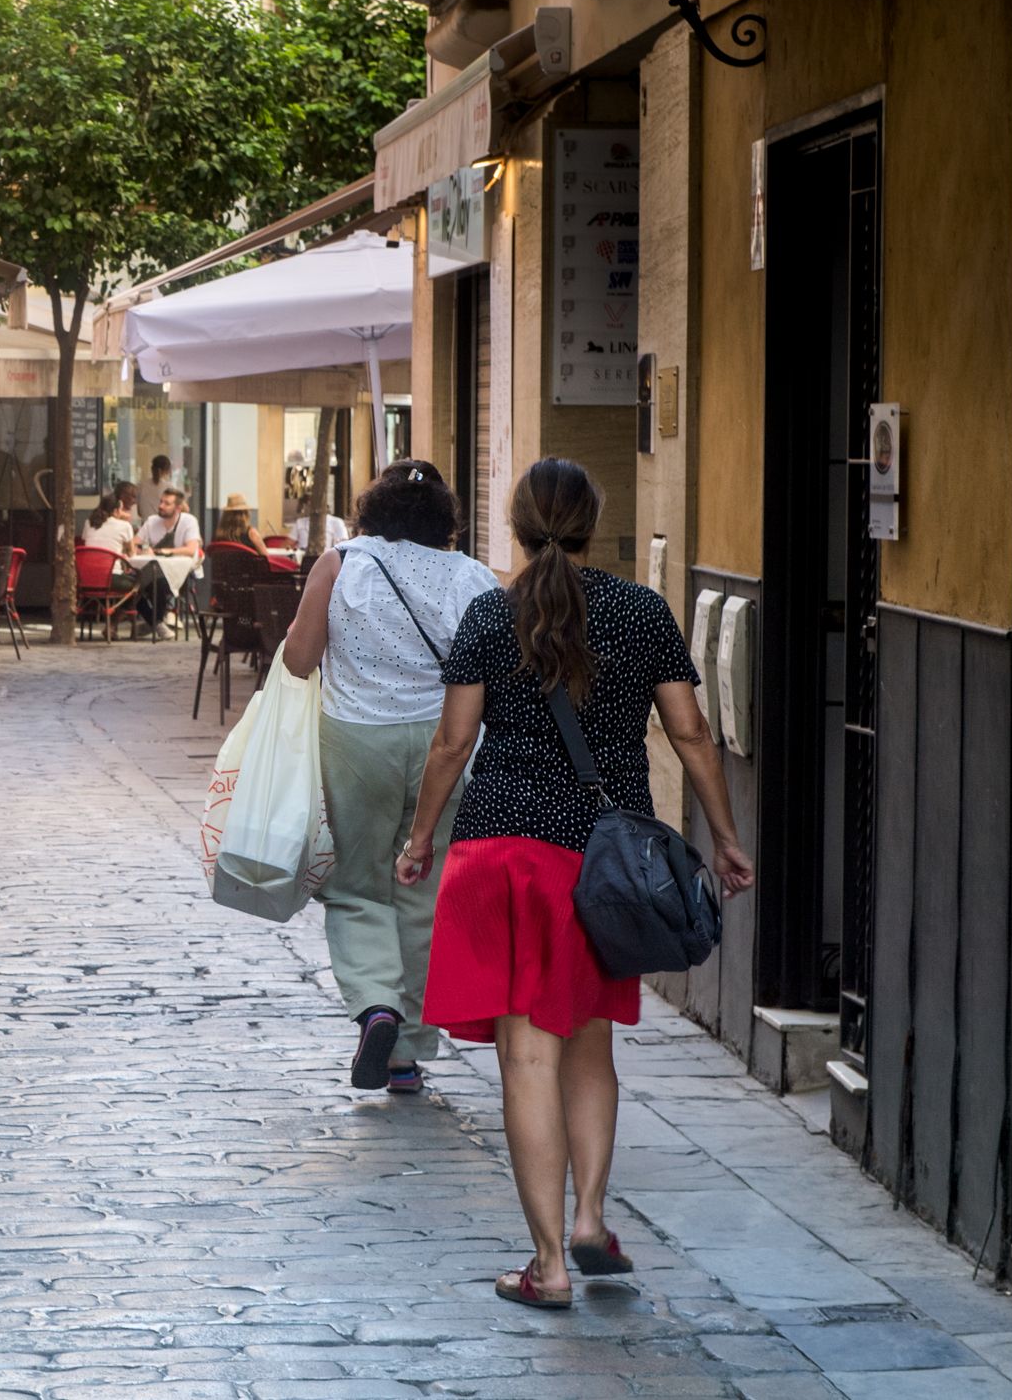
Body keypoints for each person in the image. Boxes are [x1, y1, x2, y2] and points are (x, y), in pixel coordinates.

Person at [398, 458, 754, 1310]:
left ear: (516, 527)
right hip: (603, 866)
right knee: (590, 1043)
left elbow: (451, 745)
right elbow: (692, 733)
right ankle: (591, 1219)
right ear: (596, 523)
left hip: (505, 858)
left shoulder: (490, 614)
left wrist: (419, 838)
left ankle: (549, 1264)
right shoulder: (640, 611)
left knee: (528, 1056)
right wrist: (728, 839)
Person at [280, 462, 500, 1094]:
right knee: (421, 883)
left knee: (356, 886)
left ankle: (376, 1005)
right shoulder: (473, 577)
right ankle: (405, 1053)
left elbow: (299, 657)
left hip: (356, 740)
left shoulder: (342, 562)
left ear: (372, 508)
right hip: (447, 744)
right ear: (444, 517)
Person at [81, 493, 167, 630]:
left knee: (134, 586)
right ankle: (154, 624)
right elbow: (131, 553)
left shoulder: (89, 522)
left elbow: (91, 545)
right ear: (115, 511)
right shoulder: (123, 526)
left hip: (86, 578)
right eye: (121, 510)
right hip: (111, 578)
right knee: (139, 585)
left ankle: (113, 626)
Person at [136, 485, 203, 634]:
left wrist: (164, 551)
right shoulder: (152, 521)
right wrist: (143, 549)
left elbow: (191, 549)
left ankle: (153, 624)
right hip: (154, 572)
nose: (161, 506)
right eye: (161, 502)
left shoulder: (188, 521)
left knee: (157, 582)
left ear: (178, 508)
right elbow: (135, 543)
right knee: (132, 586)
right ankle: (157, 623)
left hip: (183, 575)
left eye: (167, 503)